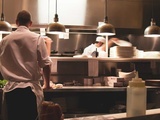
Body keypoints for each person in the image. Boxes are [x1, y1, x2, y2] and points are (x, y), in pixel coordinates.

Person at [0, 10, 52, 120]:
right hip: (29, 91)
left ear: (16, 22)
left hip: (11, 91)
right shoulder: (37, 38)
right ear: (30, 23)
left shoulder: (5, 40)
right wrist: (47, 84)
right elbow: (46, 64)